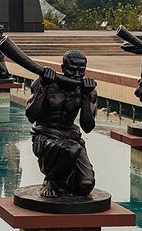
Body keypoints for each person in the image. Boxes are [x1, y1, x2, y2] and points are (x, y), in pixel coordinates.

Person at [25, 50, 97, 198]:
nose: (76, 75)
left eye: (81, 71)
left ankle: (63, 182)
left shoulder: (88, 89)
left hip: (71, 136)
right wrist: (43, 87)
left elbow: (88, 127)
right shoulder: (43, 83)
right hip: (46, 135)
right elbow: (31, 116)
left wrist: (85, 96)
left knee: (86, 185)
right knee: (71, 149)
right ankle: (51, 180)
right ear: (63, 68)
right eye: (72, 70)